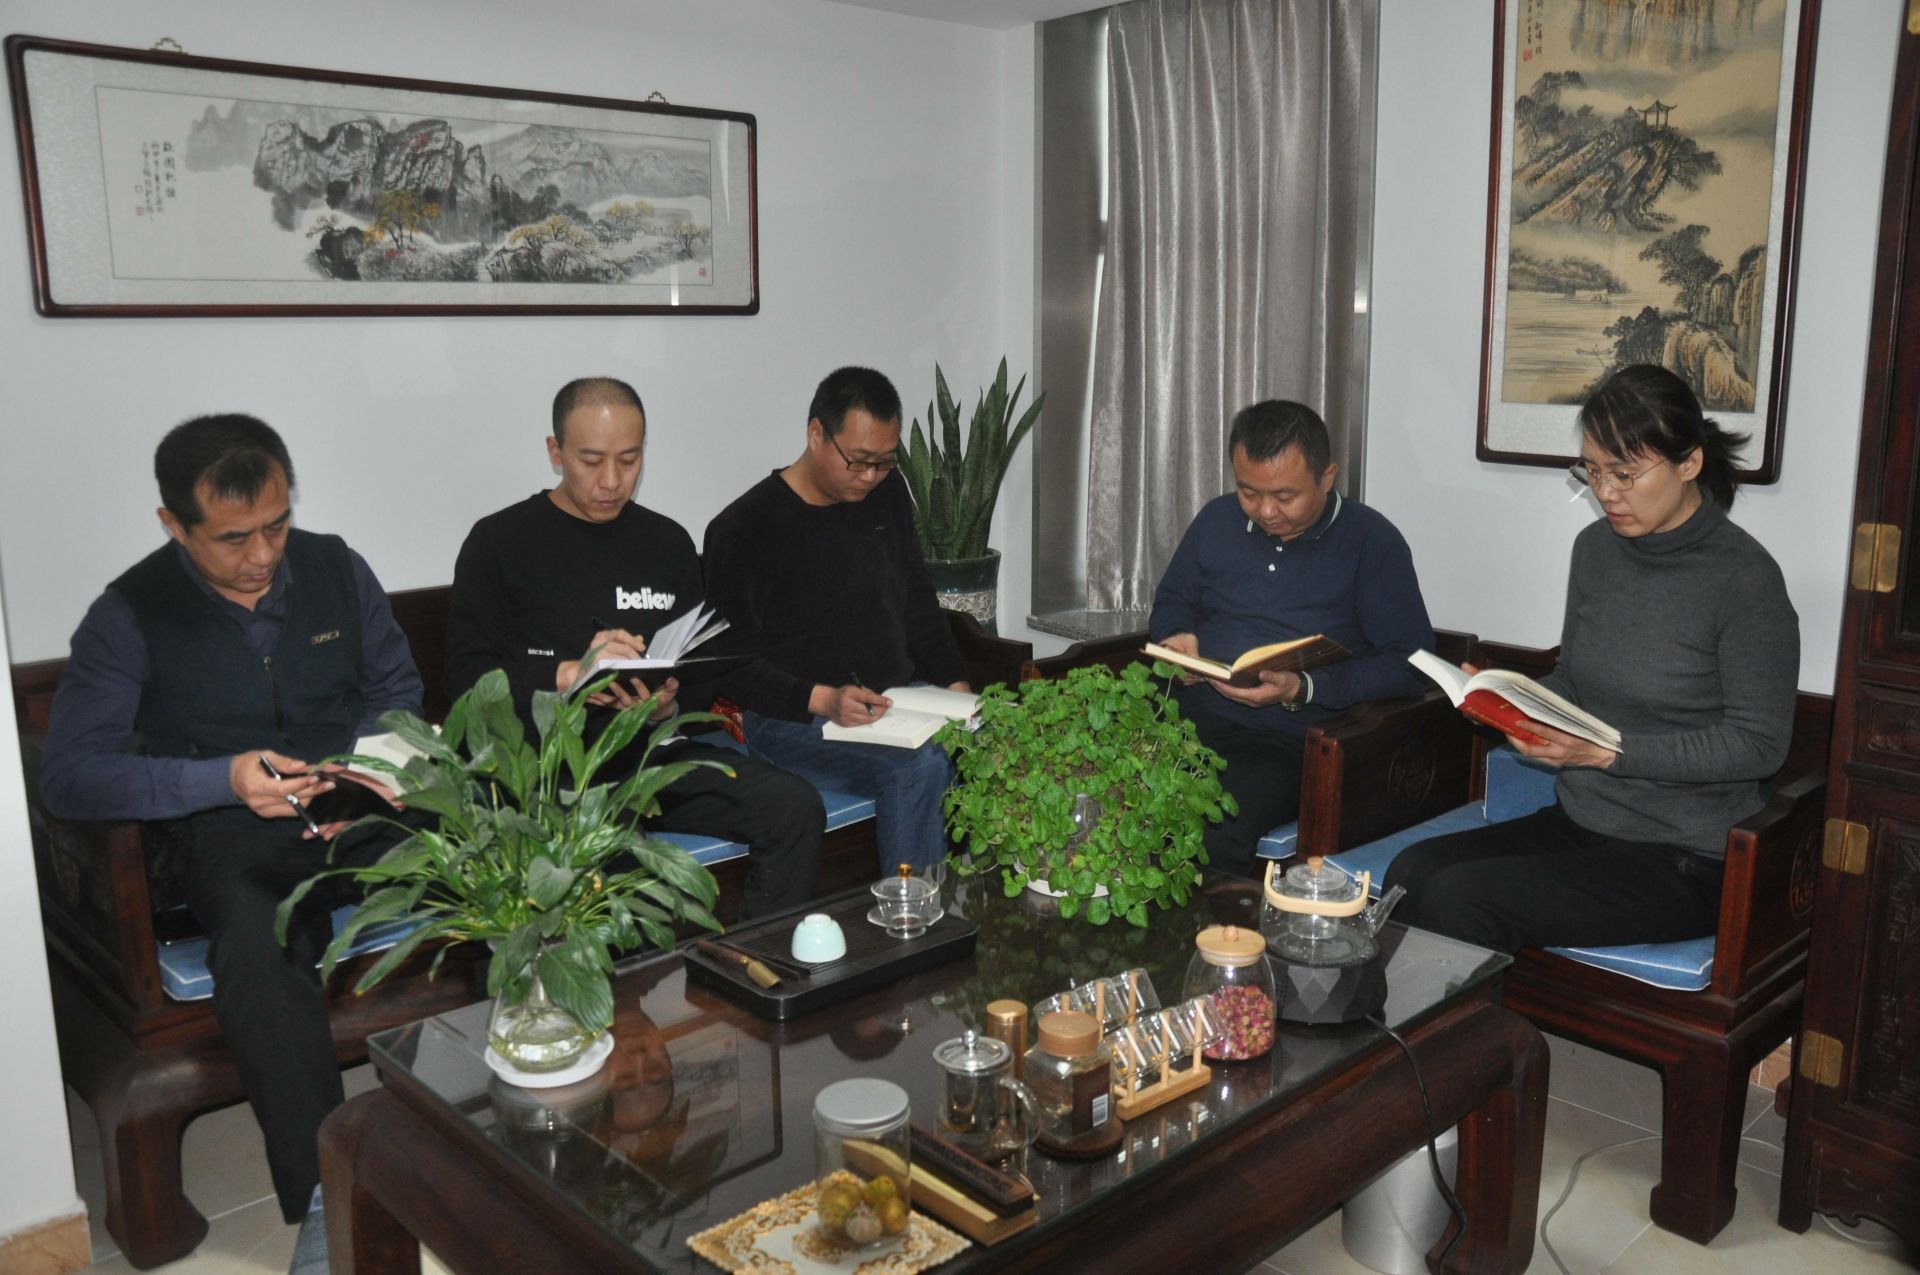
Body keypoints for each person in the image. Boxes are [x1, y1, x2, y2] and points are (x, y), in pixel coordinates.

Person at [38, 414, 422, 1267]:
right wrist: (221, 779)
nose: (262, 555)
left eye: (277, 526)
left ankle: (511, 1129)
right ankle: (327, 1198)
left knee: (496, 860)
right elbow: (69, 774)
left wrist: (369, 768)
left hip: (362, 811)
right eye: (234, 537)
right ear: (174, 523)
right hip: (231, 836)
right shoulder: (129, 613)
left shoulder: (336, 567)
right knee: (257, 942)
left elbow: (397, 689)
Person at [1385, 364, 1800, 954]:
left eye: (1625, 474)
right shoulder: (1596, 550)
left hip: (1685, 857)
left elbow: (1759, 746)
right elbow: (1575, 682)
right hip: (1582, 821)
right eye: (1593, 471)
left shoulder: (1745, 580)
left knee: (1460, 898)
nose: (1606, 493)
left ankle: (1463, 1021)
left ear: (1689, 463)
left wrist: (1610, 754)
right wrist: (1511, 700)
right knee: (1409, 873)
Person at [445, 377, 824, 918]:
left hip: (651, 755)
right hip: (552, 772)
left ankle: (758, 959)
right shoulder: (499, 544)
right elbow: (465, 683)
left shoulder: (666, 543)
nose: (612, 481)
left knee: (794, 806)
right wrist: (568, 675)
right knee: (615, 852)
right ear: (555, 452)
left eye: (629, 459)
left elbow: (698, 674)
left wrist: (667, 706)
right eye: (591, 460)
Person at [702, 366, 971, 871]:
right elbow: (728, 665)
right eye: (859, 461)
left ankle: (984, 905)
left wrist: (961, 697)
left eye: (884, 463)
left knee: (998, 741)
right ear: (816, 434)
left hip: (897, 703)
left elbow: (917, 601)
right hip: (794, 721)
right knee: (922, 765)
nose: (870, 477)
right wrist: (824, 699)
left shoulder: (887, 494)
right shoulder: (744, 528)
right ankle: (915, 912)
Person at [1149, 400, 1434, 875]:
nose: (1266, 511)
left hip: (1282, 738)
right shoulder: (1217, 520)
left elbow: (1410, 662)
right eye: (1248, 491)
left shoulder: (1371, 543)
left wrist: (1304, 688)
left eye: (1285, 496)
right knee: (1091, 785)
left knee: (1209, 830)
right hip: (1184, 709)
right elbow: (1173, 599)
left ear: (1327, 477)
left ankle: (1213, 923)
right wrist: (1176, 638)